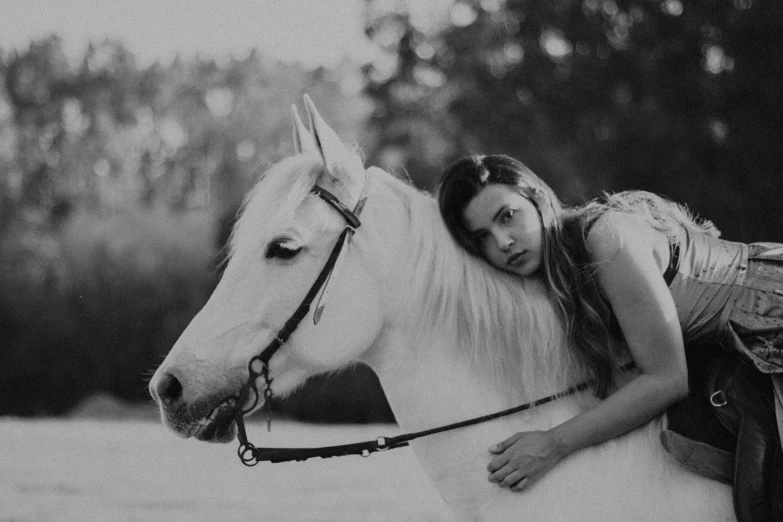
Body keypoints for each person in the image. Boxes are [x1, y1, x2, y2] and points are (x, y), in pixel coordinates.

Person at [436, 154, 783, 495]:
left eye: (508, 216)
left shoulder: (605, 239)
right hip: (730, 346)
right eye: (483, 236)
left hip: (772, 313)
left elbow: (667, 380)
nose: (503, 242)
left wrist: (553, 443)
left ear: (538, 199)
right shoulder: (559, 276)